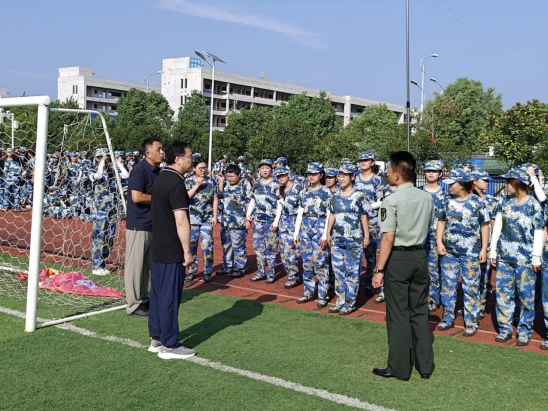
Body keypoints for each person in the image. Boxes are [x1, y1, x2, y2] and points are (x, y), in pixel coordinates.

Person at [372, 151, 435, 381]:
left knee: (398, 314)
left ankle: (399, 368)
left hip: (398, 259)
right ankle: (425, 366)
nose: (387, 173)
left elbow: (388, 238)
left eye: (389, 170)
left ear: (397, 174)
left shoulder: (391, 200)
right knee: (419, 311)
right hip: (419, 256)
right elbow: (428, 226)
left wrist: (378, 270)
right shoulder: (427, 198)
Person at [148, 140, 196, 360]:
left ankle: (157, 338)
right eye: (189, 156)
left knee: (158, 294)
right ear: (178, 159)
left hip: (158, 246)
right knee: (169, 296)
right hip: (170, 248)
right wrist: (187, 251)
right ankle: (169, 345)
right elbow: (181, 220)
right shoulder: (175, 182)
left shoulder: (160, 178)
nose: (192, 161)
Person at [489, 166, 544, 346]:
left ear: (518, 183)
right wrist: (493, 250)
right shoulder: (504, 203)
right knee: (503, 295)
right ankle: (505, 329)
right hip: (505, 258)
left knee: (526, 297)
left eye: (508, 182)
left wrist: (536, 257)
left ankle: (524, 331)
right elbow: (497, 227)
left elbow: (539, 231)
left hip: (525, 260)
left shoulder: (534, 205)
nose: (506, 185)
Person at [436, 169, 489, 337]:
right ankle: (448, 318)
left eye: (453, 183)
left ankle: (471, 322)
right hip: (449, 252)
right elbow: (441, 221)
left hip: (471, 253)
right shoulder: (447, 201)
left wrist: (484, 249)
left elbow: (485, 226)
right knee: (448, 286)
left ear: (462, 184)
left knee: (471, 287)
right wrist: (439, 242)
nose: (450, 186)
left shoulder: (477, 202)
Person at [124, 137, 163, 317]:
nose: (162, 152)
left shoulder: (156, 171)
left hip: (151, 224)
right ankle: (133, 304)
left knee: (144, 267)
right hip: (139, 225)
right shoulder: (140, 170)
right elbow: (137, 197)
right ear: (148, 153)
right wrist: (160, 198)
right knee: (135, 267)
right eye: (158, 149)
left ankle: (143, 299)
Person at [327, 163, 370, 315]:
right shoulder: (334, 196)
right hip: (337, 240)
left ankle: (350, 303)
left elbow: (364, 216)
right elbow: (332, 215)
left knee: (352, 272)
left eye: (345, 175)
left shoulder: (359, 196)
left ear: (352, 177)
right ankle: (340, 301)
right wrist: (328, 233)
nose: (341, 178)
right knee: (338, 272)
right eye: (340, 175)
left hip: (354, 240)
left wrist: (366, 236)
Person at [294, 162, 332, 306]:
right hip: (305, 228)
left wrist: (325, 234)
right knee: (307, 263)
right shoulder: (303, 192)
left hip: (320, 225)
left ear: (321, 175)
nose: (311, 176)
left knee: (321, 262)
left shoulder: (326, 191)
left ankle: (323, 295)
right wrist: (296, 232)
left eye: (314, 174)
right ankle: (308, 292)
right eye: (309, 174)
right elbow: (300, 212)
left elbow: (329, 213)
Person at [89, 148, 129, 276]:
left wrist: (116, 162)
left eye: (106, 157)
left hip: (112, 210)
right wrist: (102, 161)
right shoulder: (92, 170)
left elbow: (126, 175)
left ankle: (103, 262)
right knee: (99, 238)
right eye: (100, 157)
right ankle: (96, 265)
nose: (105, 159)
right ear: (96, 158)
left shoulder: (113, 172)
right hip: (100, 211)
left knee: (110, 238)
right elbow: (99, 175)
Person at [419, 160, 448, 311]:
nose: (430, 173)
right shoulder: (417, 192)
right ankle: (418, 297)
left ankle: (433, 298)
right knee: (418, 269)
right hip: (418, 237)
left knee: (434, 269)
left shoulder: (445, 194)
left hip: (436, 237)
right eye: (428, 170)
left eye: (434, 171)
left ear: (440, 174)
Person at [355, 151, 386, 293]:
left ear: (372, 162)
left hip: (372, 221)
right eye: (361, 160)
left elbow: (381, 201)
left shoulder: (377, 180)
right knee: (359, 254)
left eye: (366, 160)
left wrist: (365, 208)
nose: (363, 163)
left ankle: (372, 283)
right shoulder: (355, 178)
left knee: (373, 254)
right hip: (356, 221)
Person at [185, 156, 218, 283]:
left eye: (205, 168)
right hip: (192, 219)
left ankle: (207, 271)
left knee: (207, 246)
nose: (203, 170)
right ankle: (192, 271)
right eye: (200, 168)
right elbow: (186, 197)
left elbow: (215, 198)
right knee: (191, 246)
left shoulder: (211, 181)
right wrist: (197, 184)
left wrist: (215, 215)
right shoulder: (188, 181)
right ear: (194, 169)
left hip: (206, 219)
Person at [247, 159, 280, 283]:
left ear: (271, 169)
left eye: (267, 168)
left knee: (271, 248)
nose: (264, 170)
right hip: (258, 221)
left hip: (271, 221)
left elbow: (280, 203)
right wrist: (248, 213)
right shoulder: (256, 183)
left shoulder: (276, 184)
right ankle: (260, 272)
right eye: (262, 168)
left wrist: (276, 221)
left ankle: (271, 273)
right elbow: (252, 199)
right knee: (258, 248)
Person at [217, 164, 252, 278]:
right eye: (228, 176)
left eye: (232, 176)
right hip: (226, 221)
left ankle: (239, 268)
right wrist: (221, 182)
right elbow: (219, 196)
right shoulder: (226, 183)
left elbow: (249, 202)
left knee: (238, 246)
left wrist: (248, 219)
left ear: (239, 175)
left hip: (238, 222)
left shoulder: (245, 184)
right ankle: (228, 266)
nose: (230, 179)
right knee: (226, 245)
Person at [272, 166, 304, 289]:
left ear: (288, 175)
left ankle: (295, 276)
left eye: (283, 176)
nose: (280, 178)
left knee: (293, 251)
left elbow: (301, 208)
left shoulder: (298, 188)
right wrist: (276, 222)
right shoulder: (279, 189)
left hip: (295, 221)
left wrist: (297, 230)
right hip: (284, 222)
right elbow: (279, 206)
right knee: (284, 252)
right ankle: (292, 276)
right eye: (278, 177)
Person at [471, 169, 497, 318]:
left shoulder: (491, 201)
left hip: (485, 244)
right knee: (471, 277)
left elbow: (493, 224)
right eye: (484, 180)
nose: (487, 183)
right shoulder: (469, 198)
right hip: (471, 244)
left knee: (484, 277)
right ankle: (471, 304)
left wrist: (493, 245)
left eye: (488, 180)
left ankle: (481, 305)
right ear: (475, 181)